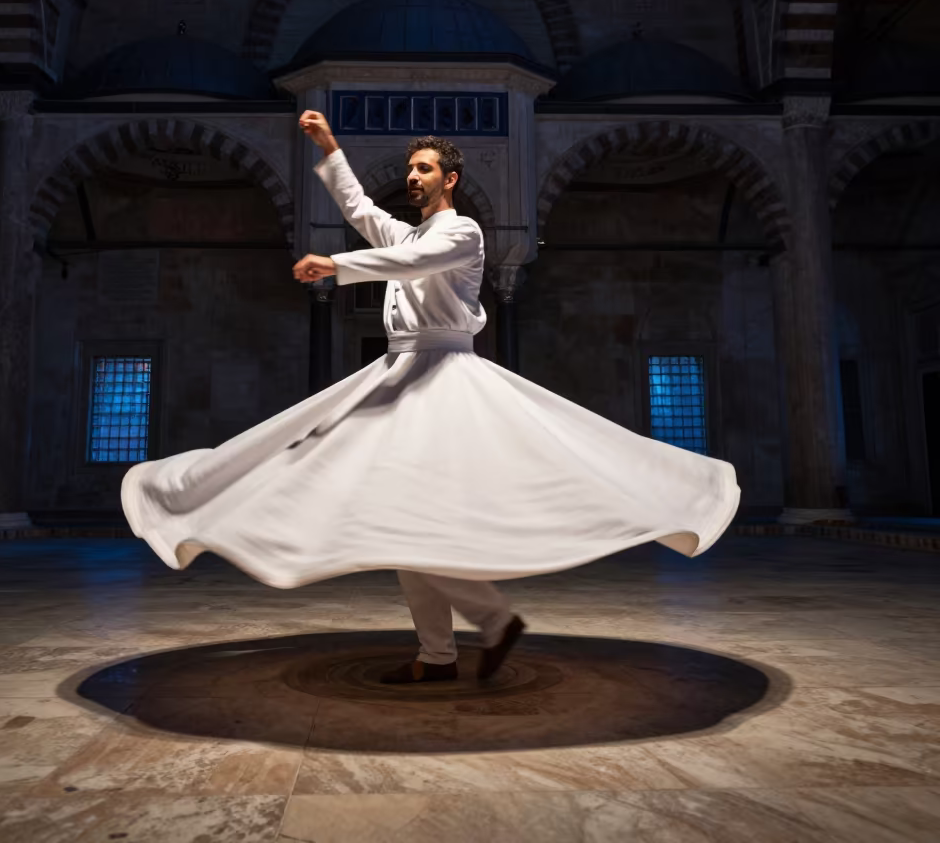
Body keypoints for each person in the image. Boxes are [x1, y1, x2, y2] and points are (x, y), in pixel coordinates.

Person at [122, 110, 740, 685]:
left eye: (424, 169)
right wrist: (331, 150)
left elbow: (405, 264)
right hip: (398, 375)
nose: (413, 178)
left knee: (419, 519)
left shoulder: (463, 232)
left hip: (446, 378)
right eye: (411, 169)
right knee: (403, 522)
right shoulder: (409, 235)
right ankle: (449, 649)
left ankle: (481, 630)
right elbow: (364, 210)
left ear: (451, 178)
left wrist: (336, 265)